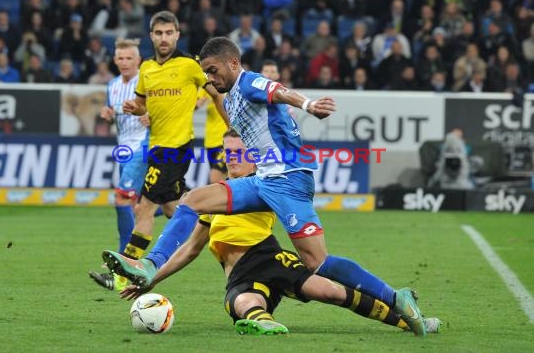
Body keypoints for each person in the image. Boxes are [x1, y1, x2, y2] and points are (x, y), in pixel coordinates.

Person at [102, 36, 428, 336]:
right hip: (262, 180)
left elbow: (277, 90)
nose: (210, 79)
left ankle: (394, 296)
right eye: (205, 73)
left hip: (289, 180)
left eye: (213, 71)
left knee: (318, 263)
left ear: (232, 63)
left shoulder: (248, 82)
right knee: (191, 200)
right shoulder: (229, 102)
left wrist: (308, 106)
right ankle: (149, 264)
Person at [119, 130, 442, 336]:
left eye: (238, 152)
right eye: (227, 152)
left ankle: (409, 320)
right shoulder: (216, 201)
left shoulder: (263, 187)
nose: (232, 158)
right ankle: (265, 322)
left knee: (333, 292)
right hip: (240, 274)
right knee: (241, 303)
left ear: (254, 158)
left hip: (271, 257)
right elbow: (189, 250)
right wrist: (153, 278)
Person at [114, 11, 225, 263]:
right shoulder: (147, 68)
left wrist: (231, 128)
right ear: (151, 36)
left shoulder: (190, 65)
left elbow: (217, 95)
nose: (164, 38)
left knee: (144, 207)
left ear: (177, 34)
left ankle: (127, 268)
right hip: (156, 146)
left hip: (176, 148)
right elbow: (143, 104)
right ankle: (214, 232)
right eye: (158, 33)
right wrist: (136, 108)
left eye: (168, 33)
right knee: (172, 207)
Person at [89, 39, 149, 291]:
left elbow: (157, 109)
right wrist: (108, 114)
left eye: (129, 58)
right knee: (146, 206)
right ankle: (187, 213)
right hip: (123, 149)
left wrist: (150, 116)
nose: (124, 62)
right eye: (120, 58)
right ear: (115, 60)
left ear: (138, 61)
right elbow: (112, 112)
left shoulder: (145, 83)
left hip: (142, 147)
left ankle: (121, 262)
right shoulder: (112, 86)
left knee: (122, 200)